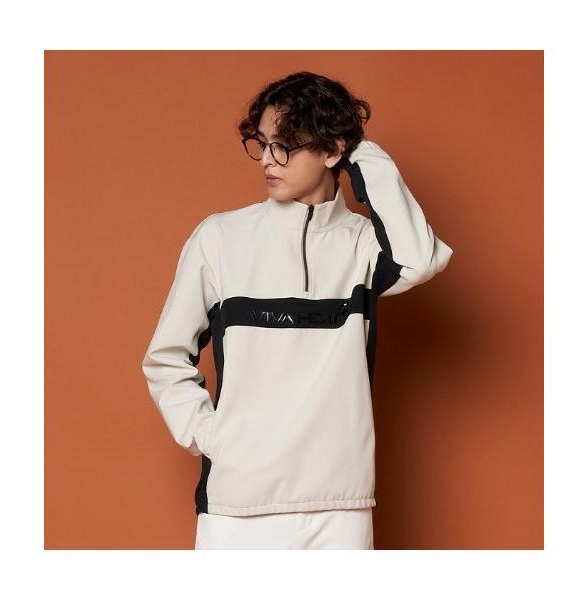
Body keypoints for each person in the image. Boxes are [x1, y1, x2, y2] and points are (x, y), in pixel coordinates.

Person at [141, 71, 454, 550]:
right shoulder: (221, 238)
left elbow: (421, 259)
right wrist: (212, 435)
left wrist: (364, 155)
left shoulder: (363, 245)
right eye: (262, 143)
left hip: (340, 506)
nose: (268, 159)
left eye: (284, 146)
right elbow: (165, 358)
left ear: (333, 150)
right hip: (239, 506)